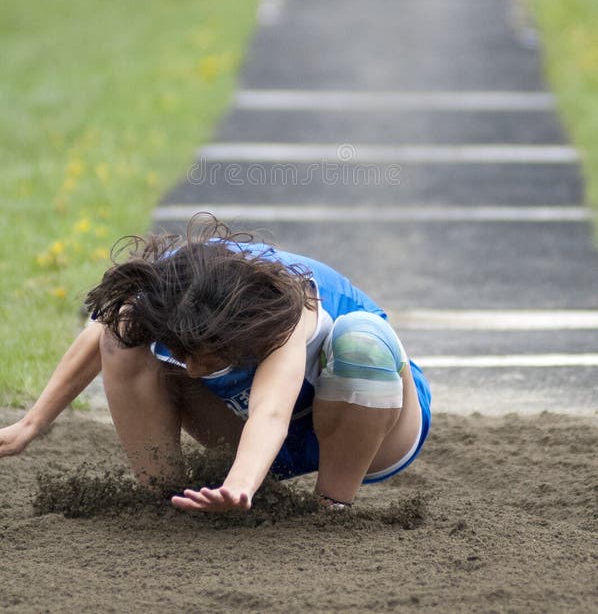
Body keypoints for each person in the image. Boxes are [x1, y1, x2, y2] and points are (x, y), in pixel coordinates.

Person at [0, 218, 431, 512]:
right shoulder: (176, 284)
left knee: (363, 344)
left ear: (237, 330)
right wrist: (31, 425)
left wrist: (239, 487)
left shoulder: (285, 308)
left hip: (371, 426)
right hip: (251, 431)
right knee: (124, 329)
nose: (188, 371)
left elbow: (272, 412)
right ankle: (166, 499)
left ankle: (331, 507)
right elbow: (102, 331)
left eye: (201, 356)